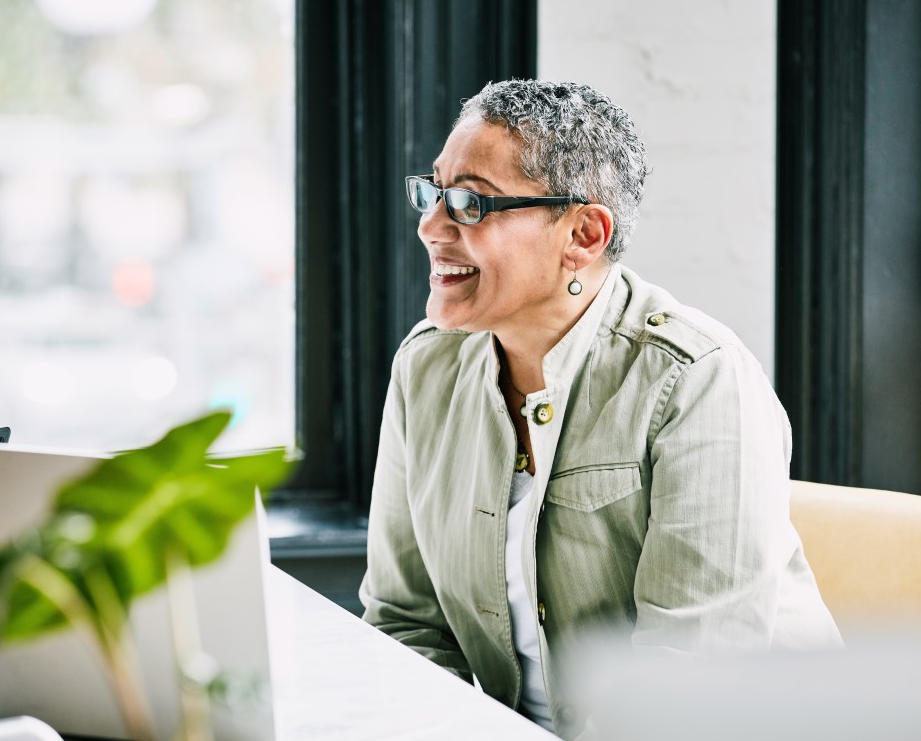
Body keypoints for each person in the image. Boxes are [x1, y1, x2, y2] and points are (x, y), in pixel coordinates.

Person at [359, 79, 841, 739]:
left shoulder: (698, 379)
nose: (430, 226)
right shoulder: (426, 369)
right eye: (431, 192)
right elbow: (404, 623)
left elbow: (688, 691)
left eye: (470, 203)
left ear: (583, 234)